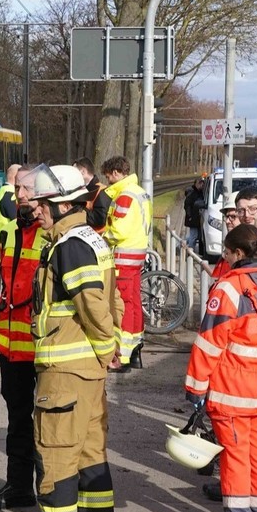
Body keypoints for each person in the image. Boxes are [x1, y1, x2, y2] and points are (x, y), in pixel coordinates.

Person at [15, 164, 123, 512]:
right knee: (90, 450)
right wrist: (108, 350)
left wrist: (106, 346)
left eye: (42, 203)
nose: (36, 209)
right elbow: (115, 301)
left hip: (65, 369)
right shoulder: (91, 240)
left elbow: (92, 304)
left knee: (58, 449)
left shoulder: (68, 246)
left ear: (61, 205)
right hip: (87, 369)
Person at [184, 223, 257, 512]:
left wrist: (196, 390)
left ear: (238, 253)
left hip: (232, 393)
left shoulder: (230, 289)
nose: (224, 258)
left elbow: (209, 344)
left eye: (227, 253)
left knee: (235, 462)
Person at [0, 163, 46, 511]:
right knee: (18, 421)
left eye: (25, 189)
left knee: (47, 428)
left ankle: (52, 496)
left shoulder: (50, 236)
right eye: (18, 189)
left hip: (41, 349)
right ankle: (20, 487)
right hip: (12, 350)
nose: (18, 195)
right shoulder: (14, 233)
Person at [100, 156, 153, 372]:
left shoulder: (124, 196)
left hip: (123, 256)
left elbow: (119, 230)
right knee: (133, 304)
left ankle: (122, 355)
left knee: (121, 306)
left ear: (114, 173)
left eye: (108, 177)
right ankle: (135, 350)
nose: (108, 182)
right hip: (136, 254)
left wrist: (103, 235)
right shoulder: (140, 192)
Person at [0, 164, 22, 265]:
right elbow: (17, 222)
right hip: (9, 250)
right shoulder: (10, 195)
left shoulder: (0, 193)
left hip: (2, 249)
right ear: (16, 177)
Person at [73, 157, 111, 232]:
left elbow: (100, 219)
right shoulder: (82, 190)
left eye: (74, 172)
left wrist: (77, 209)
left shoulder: (101, 191)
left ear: (83, 171)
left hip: (98, 237)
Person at [210, 193, 241, 281]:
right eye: (226, 216)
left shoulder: (246, 247)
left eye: (233, 217)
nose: (227, 221)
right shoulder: (230, 242)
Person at [183, 177, 207, 254]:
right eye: (200, 184)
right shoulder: (192, 193)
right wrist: (190, 216)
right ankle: (190, 252)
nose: (202, 186)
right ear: (196, 184)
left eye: (202, 184)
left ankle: (195, 250)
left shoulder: (199, 192)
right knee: (193, 235)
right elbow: (187, 205)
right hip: (193, 218)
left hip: (197, 218)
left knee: (198, 236)